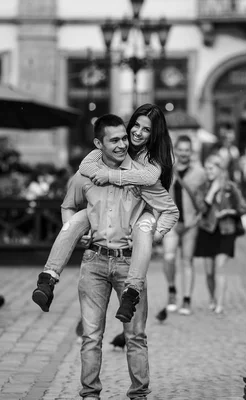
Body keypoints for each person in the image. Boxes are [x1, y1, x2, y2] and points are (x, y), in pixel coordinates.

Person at [60, 114, 178, 399]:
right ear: (100, 143)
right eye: (128, 130)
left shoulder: (145, 172)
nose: (130, 137)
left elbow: (169, 210)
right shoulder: (89, 171)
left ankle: (139, 394)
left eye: (139, 132)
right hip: (95, 260)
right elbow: (69, 204)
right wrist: (75, 231)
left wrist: (152, 234)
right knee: (91, 336)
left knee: (135, 336)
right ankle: (90, 394)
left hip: (128, 262)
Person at [33, 104, 176, 323]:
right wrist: (99, 173)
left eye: (146, 130)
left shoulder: (152, 160)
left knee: (144, 226)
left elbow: (149, 182)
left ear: (154, 135)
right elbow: (85, 166)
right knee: (79, 219)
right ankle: (48, 278)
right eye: (135, 125)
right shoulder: (114, 146)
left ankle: (132, 292)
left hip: (141, 213)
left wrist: (156, 234)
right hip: (109, 215)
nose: (137, 132)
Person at [195, 154, 246, 314]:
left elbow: (244, 208)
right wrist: (211, 192)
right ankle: (212, 298)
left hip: (226, 231)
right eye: (206, 168)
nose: (208, 171)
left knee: (220, 268)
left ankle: (220, 303)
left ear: (220, 169)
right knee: (209, 272)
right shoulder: (202, 188)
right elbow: (202, 209)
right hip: (207, 230)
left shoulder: (230, 187)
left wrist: (228, 211)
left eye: (211, 168)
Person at [162, 135, 207, 315]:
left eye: (187, 150)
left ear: (191, 152)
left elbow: (203, 199)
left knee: (187, 261)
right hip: (171, 222)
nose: (183, 153)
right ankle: (172, 290)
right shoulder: (168, 171)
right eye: (180, 149)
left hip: (190, 223)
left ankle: (187, 299)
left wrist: (198, 217)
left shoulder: (200, 173)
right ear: (176, 150)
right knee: (168, 257)